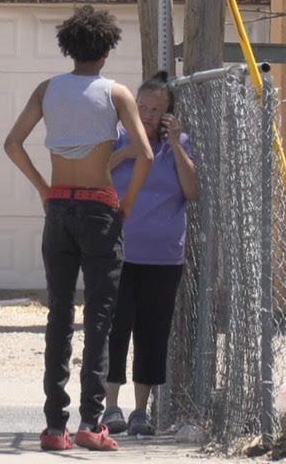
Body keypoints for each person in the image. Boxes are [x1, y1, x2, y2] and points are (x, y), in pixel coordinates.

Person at [3, 5, 154, 452]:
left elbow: (12, 144)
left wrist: (44, 189)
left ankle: (55, 426)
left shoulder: (47, 89)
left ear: (68, 48)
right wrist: (127, 203)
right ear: (107, 50)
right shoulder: (116, 93)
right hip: (99, 208)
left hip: (60, 206)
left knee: (59, 315)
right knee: (100, 316)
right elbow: (145, 154)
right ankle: (91, 422)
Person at [101, 72, 199, 436]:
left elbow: (192, 191)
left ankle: (141, 411)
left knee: (152, 333)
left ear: (168, 114)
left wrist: (176, 146)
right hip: (119, 252)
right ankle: (111, 407)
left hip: (163, 257)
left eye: (156, 110)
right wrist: (127, 152)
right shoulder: (117, 139)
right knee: (116, 329)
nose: (147, 115)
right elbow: (95, 173)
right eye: (141, 106)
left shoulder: (179, 145)